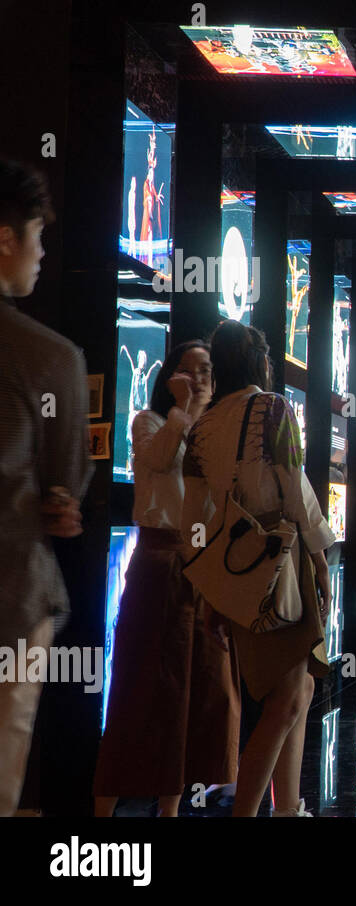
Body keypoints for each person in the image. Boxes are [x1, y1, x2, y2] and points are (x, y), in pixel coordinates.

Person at [182, 320, 334, 818]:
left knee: (299, 689)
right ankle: (248, 812)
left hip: (235, 569)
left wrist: (209, 593)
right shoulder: (272, 407)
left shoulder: (200, 427)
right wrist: (319, 555)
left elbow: (197, 517)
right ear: (262, 362)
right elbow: (294, 484)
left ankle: (288, 808)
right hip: (279, 560)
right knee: (289, 697)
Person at [93, 340, 240, 817]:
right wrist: (182, 410)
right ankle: (105, 804)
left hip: (200, 565)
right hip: (158, 562)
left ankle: (172, 808)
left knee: (197, 690)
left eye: (206, 370)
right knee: (142, 685)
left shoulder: (214, 431)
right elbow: (157, 460)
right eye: (189, 369)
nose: (198, 379)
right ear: (170, 376)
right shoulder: (149, 422)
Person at [0, 160, 91, 816]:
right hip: (13, 591)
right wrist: (58, 503)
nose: (41, 251)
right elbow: (65, 487)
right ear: (6, 238)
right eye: (37, 233)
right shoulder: (49, 356)